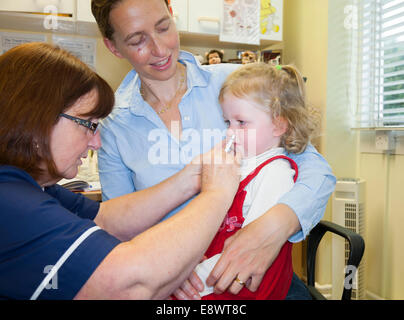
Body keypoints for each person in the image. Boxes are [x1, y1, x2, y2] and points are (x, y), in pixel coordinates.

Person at [91, 0, 336, 299]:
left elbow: (317, 170)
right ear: (114, 47)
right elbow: (117, 228)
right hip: (175, 285)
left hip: (256, 273)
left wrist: (273, 227)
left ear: (173, 16)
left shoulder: (236, 84)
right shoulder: (114, 125)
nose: (159, 49)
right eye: (137, 40)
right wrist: (168, 267)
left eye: (163, 27)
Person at [0, 42, 240, 300]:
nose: (97, 142)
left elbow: (106, 220)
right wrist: (216, 194)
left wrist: (191, 179)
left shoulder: (33, 187)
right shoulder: (10, 200)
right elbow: (129, 285)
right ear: (39, 119)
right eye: (88, 125)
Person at [194, 63, 318, 299]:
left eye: (241, 123)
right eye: (227, 122)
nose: (230, 132)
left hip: (244, 288)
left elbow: (247, 248)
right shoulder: (241, 163)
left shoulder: (275, 174)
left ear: (279, 125)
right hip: (219, 276)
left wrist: (193, 279)